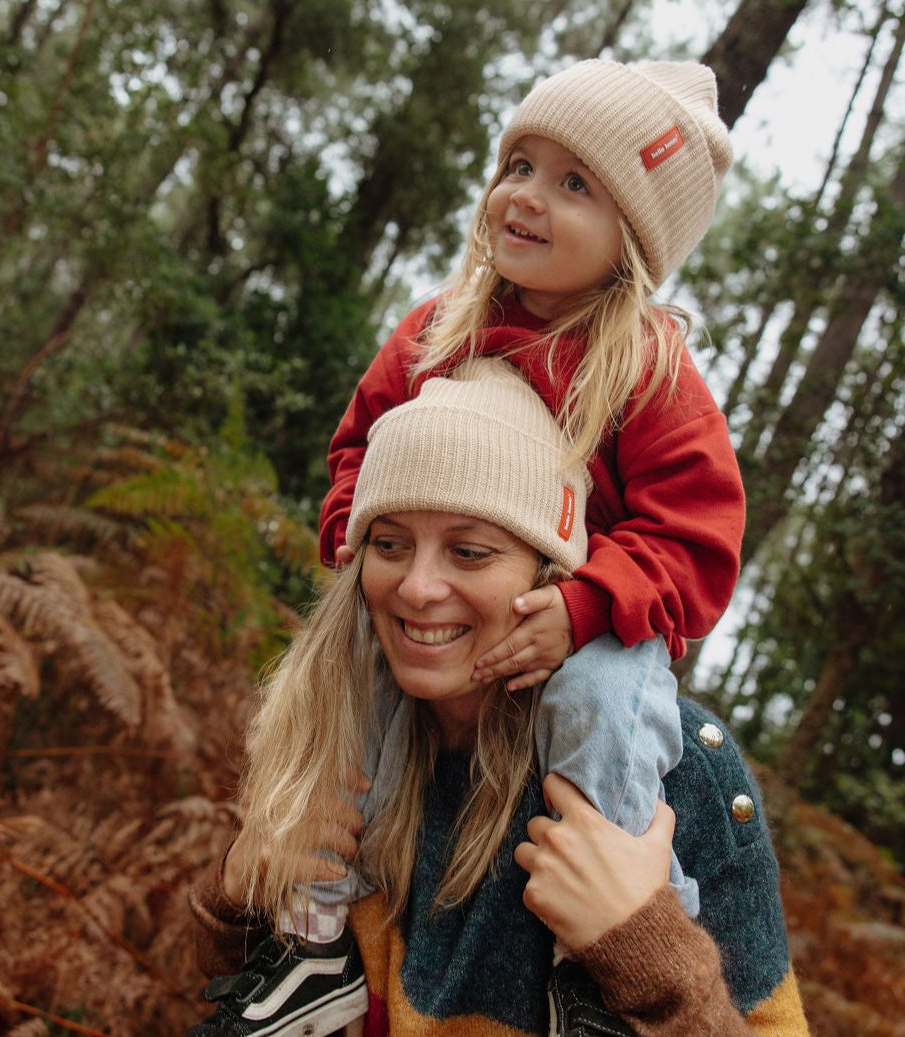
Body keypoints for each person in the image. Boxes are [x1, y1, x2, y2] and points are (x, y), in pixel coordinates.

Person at [184, 360, 809, 1036]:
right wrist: (238, 893)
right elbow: (245, 1006)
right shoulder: (342, 726)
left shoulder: (671, 772)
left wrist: (646, 951)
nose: (418, 587)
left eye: (471, 552)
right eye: (389, 543)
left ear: (550, 574)